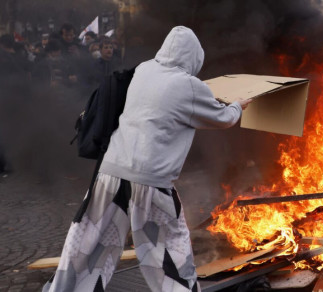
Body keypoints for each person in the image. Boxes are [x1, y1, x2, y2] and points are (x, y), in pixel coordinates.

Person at [43, 26, 251, 292]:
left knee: (89, 245)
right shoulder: (188, 85)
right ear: (193, 57)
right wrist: (237, 105)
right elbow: (223, 119)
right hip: (151, 182)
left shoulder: (143, 70)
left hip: (109, 173)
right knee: (167, 253)